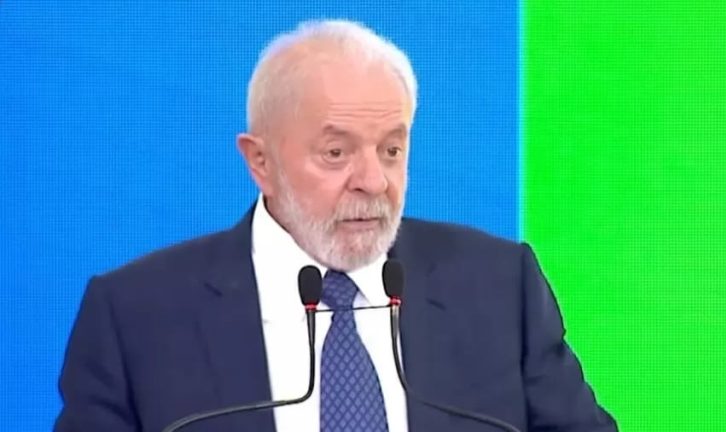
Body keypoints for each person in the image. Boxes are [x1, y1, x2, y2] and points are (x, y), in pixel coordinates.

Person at [55, 20, 617, 432]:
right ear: (261, 162)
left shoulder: (498, 286)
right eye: (335, 153)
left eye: (392, 150)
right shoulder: (136, 316)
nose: (373, 181)